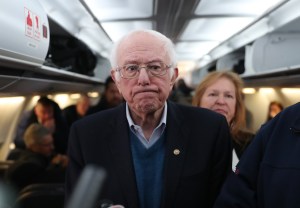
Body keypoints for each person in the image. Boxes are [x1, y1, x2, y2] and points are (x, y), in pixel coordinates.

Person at [65, 29, 232, 208]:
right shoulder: (86, 135)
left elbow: (224, 203)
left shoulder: (210, 129)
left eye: (155, 67)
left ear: (173, 76)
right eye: (131, 68)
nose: (143, 79)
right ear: (117, 79)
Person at [214, 102, 300, 207]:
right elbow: (237, 194)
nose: (221, 101)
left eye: (228, 96)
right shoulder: (279, 127)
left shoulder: (247, 140)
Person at [192, 71, 255, 162]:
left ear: (236, 105)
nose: (221, 101)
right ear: (199, 101)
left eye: (228, 96)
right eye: (213, 94)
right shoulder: (182, 141)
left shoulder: (251, 144)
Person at [6, 123, 68, 191]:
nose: (52, 147)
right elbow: (45, 180)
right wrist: (56, 166)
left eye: (52, 143)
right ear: (33, 146)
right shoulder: (30, 166)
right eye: (47, 145)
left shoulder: (25, 158)